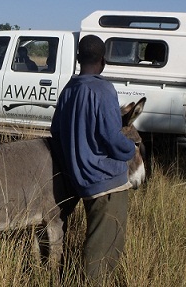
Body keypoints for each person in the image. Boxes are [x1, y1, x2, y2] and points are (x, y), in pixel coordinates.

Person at [50, 34, 136, 283]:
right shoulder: (103, 88)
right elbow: (111, 136)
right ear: (103, 61)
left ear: (78, 59)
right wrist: (130, 149)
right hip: (107, 182)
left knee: (95, 239)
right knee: (104, 250)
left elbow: (56, 132)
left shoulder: (69, 88)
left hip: (79, 180)